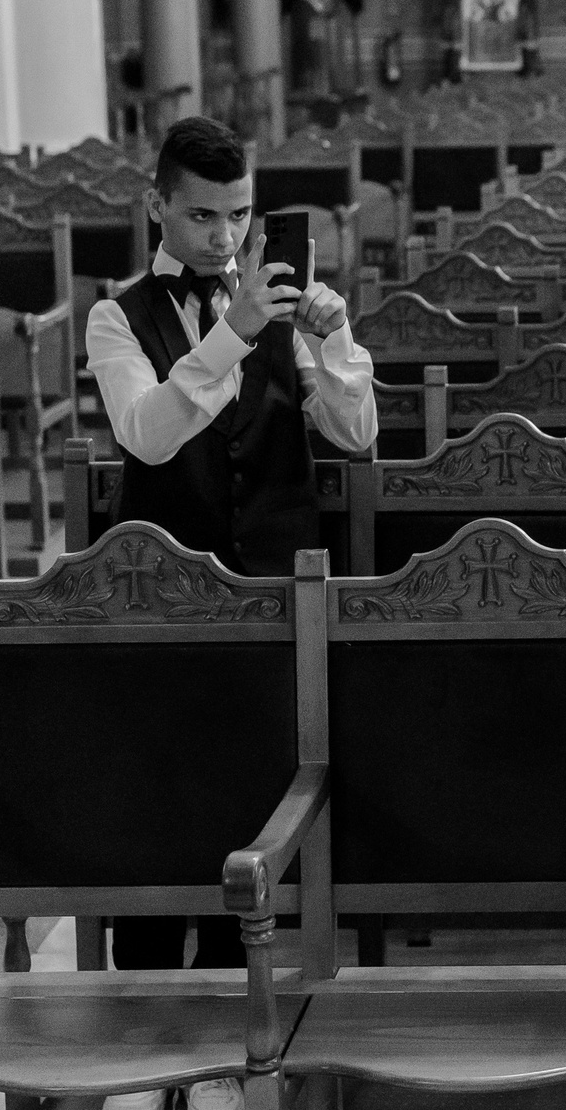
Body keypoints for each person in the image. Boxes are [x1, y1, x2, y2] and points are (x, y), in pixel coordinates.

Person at [83, 117, 377, 997]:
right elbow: (148, 437)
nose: (224, 238)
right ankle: (140, 1015)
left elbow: (356, 436)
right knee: (157, 807)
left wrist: (330, 339)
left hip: (279, 599)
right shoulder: (116, 317)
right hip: (164, 604)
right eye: (204, 216)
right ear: (157, 207)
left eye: (239, 216)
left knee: (252, 811)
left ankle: (223, 1022)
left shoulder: (283, 311)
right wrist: (234, 334)